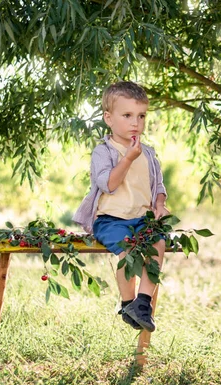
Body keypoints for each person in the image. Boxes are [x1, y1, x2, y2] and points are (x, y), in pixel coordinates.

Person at [73, 81, 169, 332]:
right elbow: (108, 184)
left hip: (142, 219)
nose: (135, 123)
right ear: (109, 118)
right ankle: (128, 303)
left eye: (141, 116)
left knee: (158, 244)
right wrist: (127, 158)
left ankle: (143, 303)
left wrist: (160, 204)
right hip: (111, 219)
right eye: (127, 115)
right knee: (128, 253)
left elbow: (158, 186)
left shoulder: (147, 153)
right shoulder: (104, 151)